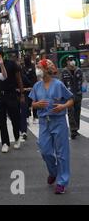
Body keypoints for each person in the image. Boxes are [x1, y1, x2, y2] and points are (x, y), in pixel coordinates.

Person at [29, 59, 74, 194]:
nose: (37, 70)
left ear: (46, 69)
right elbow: (32, 104)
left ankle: (62, 182)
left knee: (62, 153)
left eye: (39, 67)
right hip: (44, 122)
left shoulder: (58, 84)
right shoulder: (37, 86)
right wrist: (37, 105)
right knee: (45, 150)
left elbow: (71, 99)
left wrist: (63, 106)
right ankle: (53, 172)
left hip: (58, 121)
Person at [0, 49, 25, 153]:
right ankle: (5, 143)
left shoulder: (11, 64)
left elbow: (18, 78)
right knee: (2, 121)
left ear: (2, 56)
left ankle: (17, 138)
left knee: (15, 118)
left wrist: (22, 93)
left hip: (11, 94)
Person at [61, 55, 83, 139]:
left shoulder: (79, 70)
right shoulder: (64, 71)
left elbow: (81, 82)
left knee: (77, 113)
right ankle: (73, 130)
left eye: (73, 59)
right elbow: (62, 84)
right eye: (70, 60)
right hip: (69, 96)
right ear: (67, 62)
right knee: (71, 113)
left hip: (78, 95)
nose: (72, 61)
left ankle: (76, 129)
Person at [20, 54, 37, 139]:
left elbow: (34, 77)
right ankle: (27, 117)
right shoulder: (22, 67)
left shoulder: (33, 66)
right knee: (26, 104)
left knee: (34, 102)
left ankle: (35, 116)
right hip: (25, 88)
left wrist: (33, 86)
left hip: (32, 86)